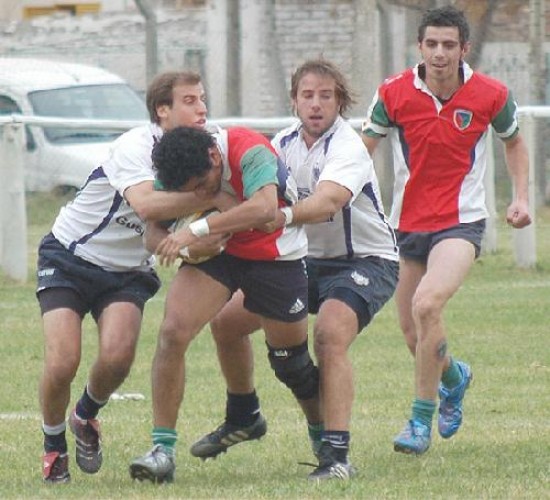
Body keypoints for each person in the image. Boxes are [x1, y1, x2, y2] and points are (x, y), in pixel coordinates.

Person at [190, 59, 399, 481]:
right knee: (226, 325)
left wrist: (278, 217)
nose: (317, 104)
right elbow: (246, 193)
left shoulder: (348, 146)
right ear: (294, 101)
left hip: (366, 261)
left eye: (327, 95)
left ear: (341, 101)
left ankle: (337, 456)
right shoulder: (281, 144)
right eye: (308, 95)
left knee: (329, 334)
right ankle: (244, 413)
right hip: (302, 262)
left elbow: (327, 203)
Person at [37, 71, 231, 483]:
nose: (202, 108)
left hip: (127, 272)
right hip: (72, 255)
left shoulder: (211, 144)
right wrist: (210, 196)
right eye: (190, 100)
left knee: (118, 356)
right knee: (62, 361)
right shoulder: (136, 145)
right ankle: (54, 446)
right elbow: (145, 205)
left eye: (202, 99)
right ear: (163, 110)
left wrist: (208, 236)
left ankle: (84, 416)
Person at [361, 5, 532, 455]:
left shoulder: (490, 94)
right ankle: (454, 378)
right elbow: (364, 150)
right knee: (412, 332)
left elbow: (514, 142)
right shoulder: (393, 93)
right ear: (420, 47)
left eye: (449, 45)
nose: (439, 53)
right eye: (432, 44)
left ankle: (420, 421)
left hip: (461, 221)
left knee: (427, 303)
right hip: (405, 225)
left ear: (464, 49)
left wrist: (520, 197)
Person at [128, 125, 322, 484]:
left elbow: (264, 210)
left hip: (275, 254)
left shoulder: (250, 150)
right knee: (173, 333)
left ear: (215, 157)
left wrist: (196, 230)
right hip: (219, 254)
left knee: (291, 364)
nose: (198, 194)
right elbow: (153, 233)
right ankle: (162, 451)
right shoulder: (180, 167)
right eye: (190, 192)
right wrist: (184, 246)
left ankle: (325, 442)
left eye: (203, 184)